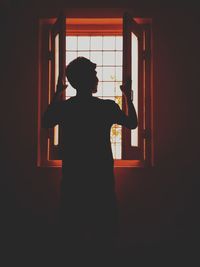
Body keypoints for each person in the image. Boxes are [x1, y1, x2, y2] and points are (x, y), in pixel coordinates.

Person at [42, 57, 138, 264]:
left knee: (72, 232)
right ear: (86, 79)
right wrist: (128, 97)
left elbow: (46, 121)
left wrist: (58, 93)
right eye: (94, 75)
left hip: (73, 179)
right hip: (101, 178)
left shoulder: (66, 108)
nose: (97, 79)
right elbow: (132, 124)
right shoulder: (106, 107)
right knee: (104, 233)